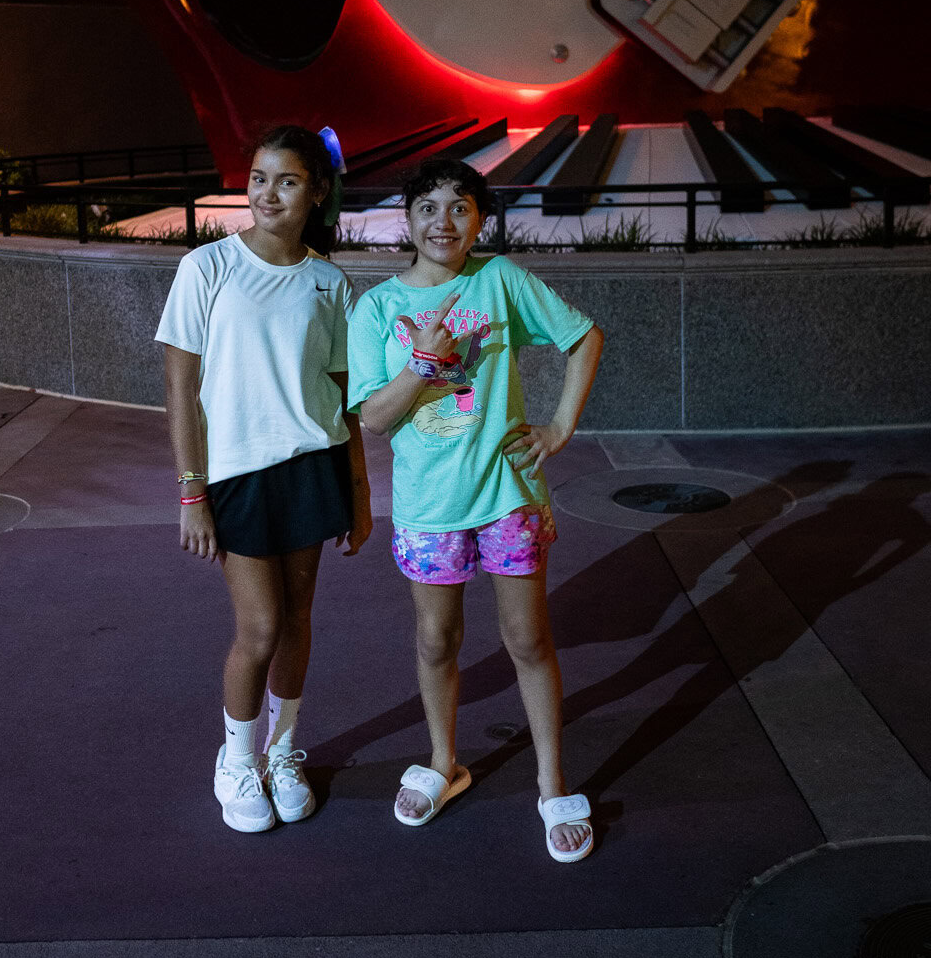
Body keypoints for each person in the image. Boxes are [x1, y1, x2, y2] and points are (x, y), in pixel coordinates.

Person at [348, 156, 604, 862]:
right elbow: (372, 417)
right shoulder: (376, 308)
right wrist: (423, 364)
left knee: (527, 640)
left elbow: (585, 337)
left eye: (460, 207)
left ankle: (552, 784)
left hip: (506, 496)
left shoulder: (498, 281)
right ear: (408, 218)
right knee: (437, 640)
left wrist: (557, 428)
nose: (443, 221)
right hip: (429, 507)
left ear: (479, 221)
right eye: (428, 206)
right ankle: (443, 761)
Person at [156, 126, 371, 833]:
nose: (266, 193)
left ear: (316, 190)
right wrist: (192, 491)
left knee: (301, 619)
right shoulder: (207, 267)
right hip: (238, 475)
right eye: (257, 177)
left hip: (313, 467)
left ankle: (282, 753)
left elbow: (345, 398)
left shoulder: (330, 281)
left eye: (285, 180)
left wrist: (361, 493)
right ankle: (236, 759)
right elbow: (182, 390)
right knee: (260, 627)